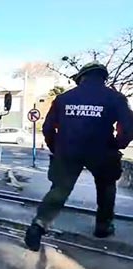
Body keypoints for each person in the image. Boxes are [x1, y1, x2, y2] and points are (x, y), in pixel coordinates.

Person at [25, 62, 133, 250]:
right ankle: (103, 226)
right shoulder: (115, 98)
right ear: (103, 77)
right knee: (106, 187)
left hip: (68, 150)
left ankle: (39, 224)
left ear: (81, 77)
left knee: (59, 189)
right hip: (102, 150)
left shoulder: (64, 98)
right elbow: (128, 128)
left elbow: (48, 128)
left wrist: (57, 147)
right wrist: (116, 144)